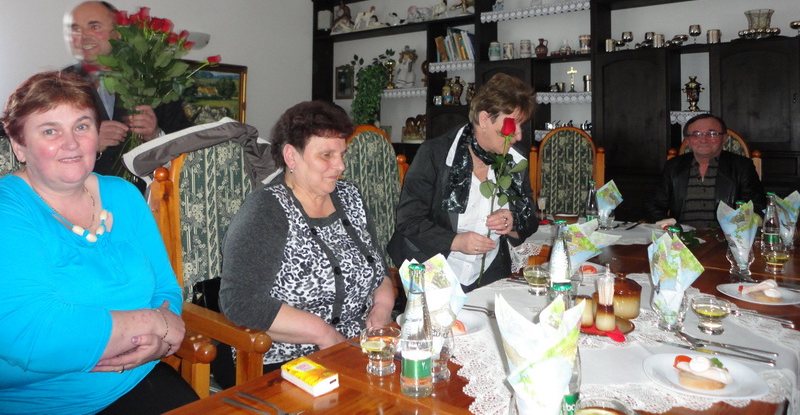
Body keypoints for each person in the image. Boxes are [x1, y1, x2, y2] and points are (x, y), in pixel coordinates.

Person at [0, 71, 197, 415]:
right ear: (19, 146)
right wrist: (156, 324)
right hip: (43, 400)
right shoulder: (9, 210)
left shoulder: (124, 194)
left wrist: (159, 339)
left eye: (82, 126)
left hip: (139, 379)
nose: (71, 143)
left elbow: (165, 287)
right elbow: (33, 334)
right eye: (50, 131)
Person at [220, 101, 394, 376]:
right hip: (287, 359)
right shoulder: (266, 210)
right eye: (326, 155)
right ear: (291, 156)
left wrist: (382, 308)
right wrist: (323, 333)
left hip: (359, 347)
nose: (340, 166)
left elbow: (378, 268)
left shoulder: (350, 197)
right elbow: (240, 302)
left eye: (342, 154)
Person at [387, 73, 538, 290]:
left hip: (490, 271)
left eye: (521, 126)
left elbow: (530, 218)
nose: (519, 135)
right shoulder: (435, 154)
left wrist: (513, 221)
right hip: (433, 267)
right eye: (512, 125)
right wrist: (455, 241)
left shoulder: (515, 159)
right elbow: (408, 220)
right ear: (484, 119)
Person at [63, 1, 190, 178]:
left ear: (118, 33)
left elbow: (187, 148)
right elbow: (40, 147)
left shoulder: (154, 79)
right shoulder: (59, 84)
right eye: (76, 29)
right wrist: (87, 143)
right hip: (82, 190)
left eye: (94, 27)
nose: (84, 36)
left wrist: (155, 135)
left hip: (143, 192)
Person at [644, 114, 766, 228]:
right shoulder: (673, 166)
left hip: (725, 237)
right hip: (681, 237)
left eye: (712, 134)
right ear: (688, 140)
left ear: (724, 138)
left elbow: (758, 206)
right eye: (696, 134)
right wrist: (669, 226)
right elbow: (653, 205)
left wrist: (733, 228)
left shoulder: (742, 166)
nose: (704, 139)